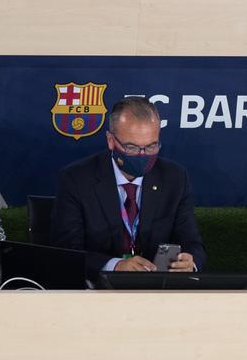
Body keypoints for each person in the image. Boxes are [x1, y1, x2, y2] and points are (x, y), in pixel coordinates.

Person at [52, 97, 207, 281]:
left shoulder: (175, 178)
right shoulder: (77, 179)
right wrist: (115, 265)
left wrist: (191, 262)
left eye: (151, 146)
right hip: (97, 292)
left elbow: (192, 243)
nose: (142, 155)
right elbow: (68, 252)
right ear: (111, 141)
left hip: (157, 292)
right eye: (132, 147)